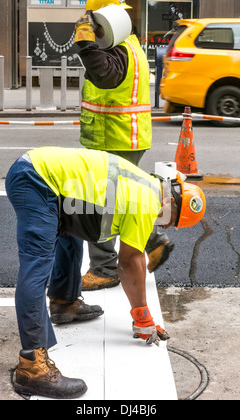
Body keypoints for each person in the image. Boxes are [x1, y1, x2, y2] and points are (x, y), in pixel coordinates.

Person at [6, 147, 206, 399]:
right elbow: (129, 262)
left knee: (70, 235)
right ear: (169, 201)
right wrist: (142, 316)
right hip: (35, 178)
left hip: (42, 174)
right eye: (171, 219)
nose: (165, 225)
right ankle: (32, 367)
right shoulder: (147, 201)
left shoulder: (145, 187)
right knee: (36, 265)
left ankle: (64, 302)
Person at [71, 0, 174, 292]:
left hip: (114, 139)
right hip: (124, 138)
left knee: (98, 205)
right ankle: (153, 242)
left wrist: (86, 44)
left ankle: (104, 268)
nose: (92, 27)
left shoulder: (116, 50)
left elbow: (104, 76)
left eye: (94, 23)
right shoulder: (127, 45)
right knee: (122, 200)